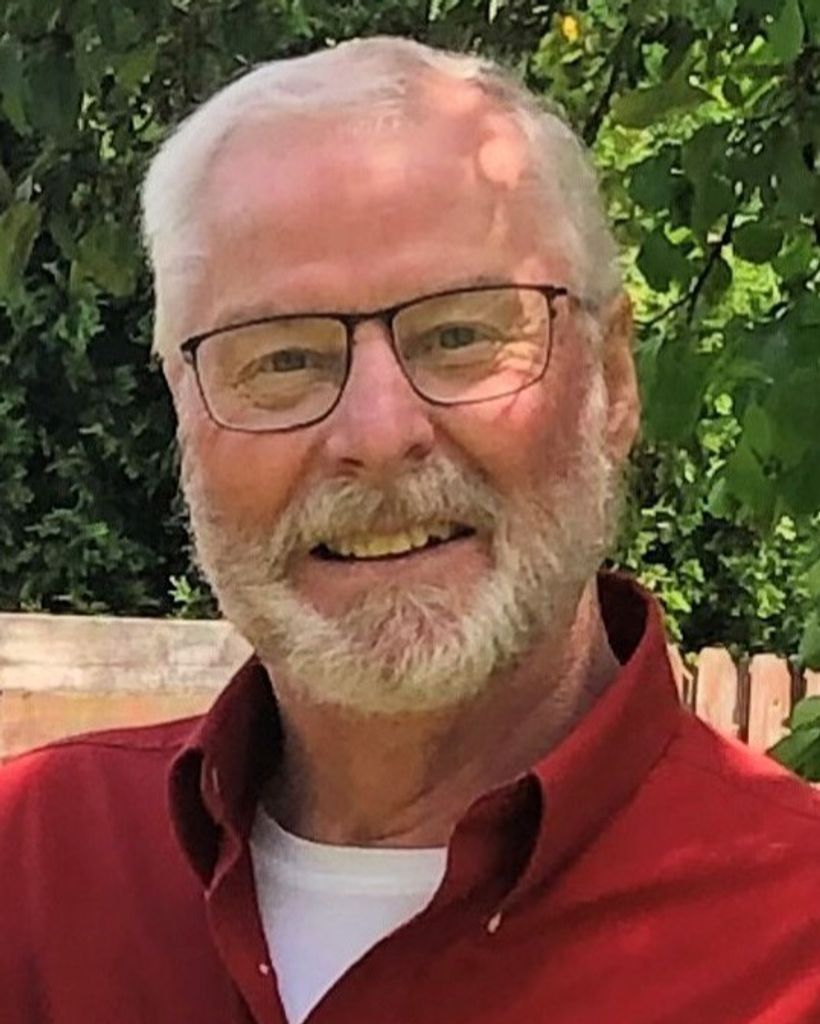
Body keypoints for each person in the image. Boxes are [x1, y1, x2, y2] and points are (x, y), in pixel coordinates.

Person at [1, 36, 818, 1024]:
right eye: (283, 358)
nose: (378, 435)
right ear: (185, 407)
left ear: (612, 379)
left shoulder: (794, 934)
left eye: (461, 335)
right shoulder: (31, 874)